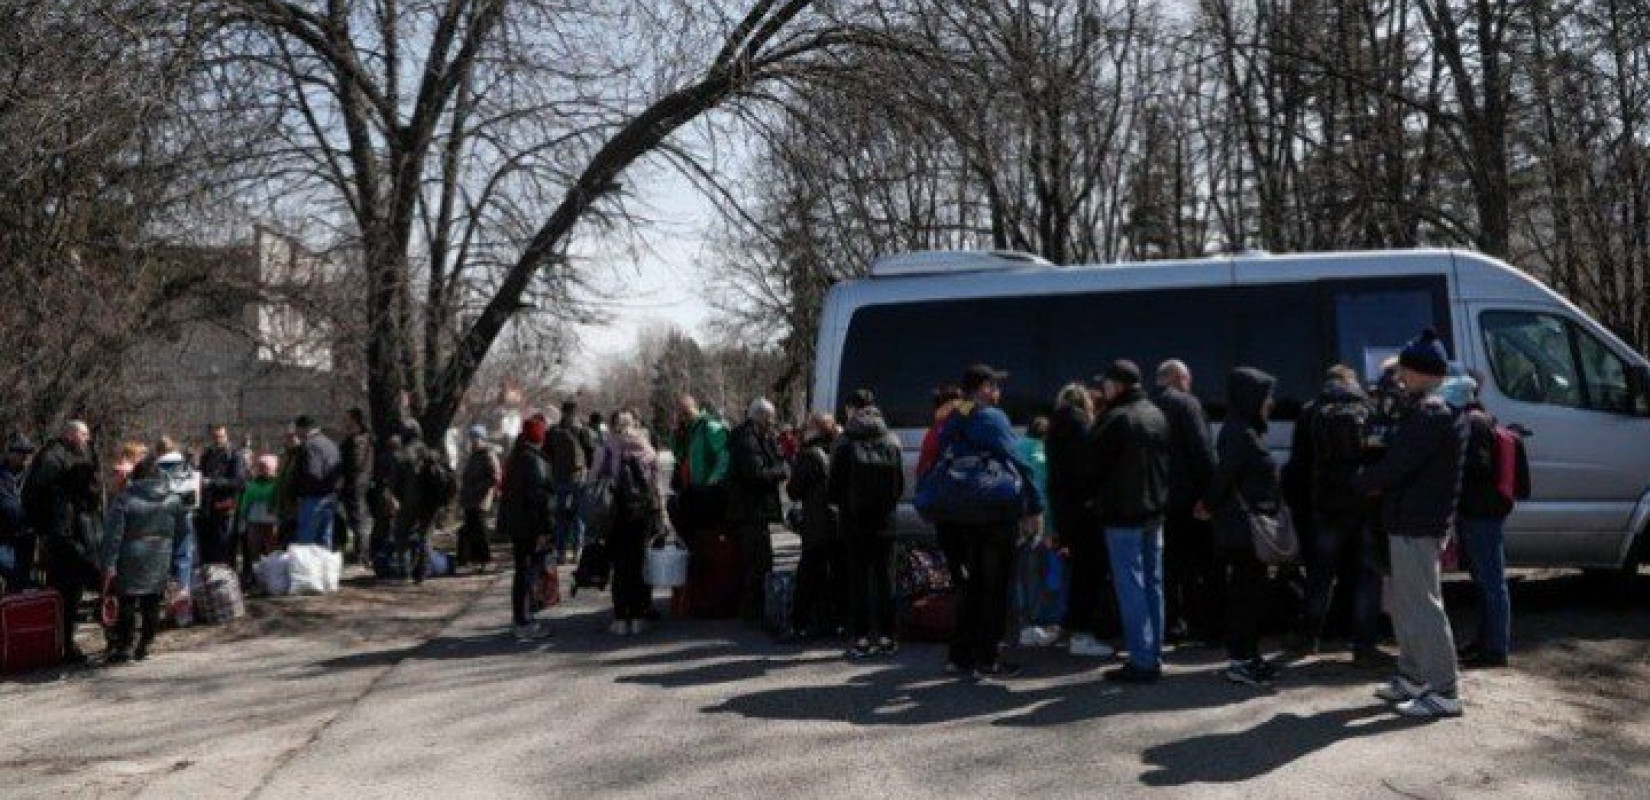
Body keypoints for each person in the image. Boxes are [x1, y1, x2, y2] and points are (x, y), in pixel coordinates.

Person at [1353, 329, 1468, 719]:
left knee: (1423, 607)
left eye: (1405, 370)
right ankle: (1414, 676)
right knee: (1406, 604)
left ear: (1421, 371)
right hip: (1411, 519)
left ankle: (1444, 689)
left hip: (1418, 522)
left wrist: (1360, 481)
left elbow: (1399, 464)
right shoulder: (1432, 407)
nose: (1400, 377)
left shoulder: (1431, 412)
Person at [936, 364, 1043, 678]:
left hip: (958, 512)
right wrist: (1034, 505)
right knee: (995, 587)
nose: (999, 392)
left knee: (970, 586)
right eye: (995, 385)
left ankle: (960, 655)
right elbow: (1018, 460)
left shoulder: (958, 414)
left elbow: (946, 441)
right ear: (982, 387)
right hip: (993, 513)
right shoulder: (992, 417)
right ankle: (989, 656)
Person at [1289, 365, 1383, 661]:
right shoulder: (1369, 407)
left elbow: (1298, 465)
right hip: (1364, 504)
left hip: (1326, 506)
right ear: (1351, 381)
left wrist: (1302, 505)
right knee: (1367, 575)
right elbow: (1380, 456)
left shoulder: (1311, 411)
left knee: (1319, 574)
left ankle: (1309, 639)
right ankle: (1364, 645)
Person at [1089, 360, 1172, 684]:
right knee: (1153, 584)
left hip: (1123, 514)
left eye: (1106, 383)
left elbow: (1092, 466)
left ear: (1117, 385)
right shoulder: (1155, 412)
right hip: (1154, 510)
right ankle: (1154, 654)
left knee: (1131, 586)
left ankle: (1141, 659)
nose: (1103, 388)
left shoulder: (1115, 418)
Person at [1201, 368, 1283, 688]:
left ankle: (1248, 655)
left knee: (1251, 592)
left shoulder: (1246, 428)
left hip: (1247, 527)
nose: (1271, 403)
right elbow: (1226, 476)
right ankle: (1241, 659)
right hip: (1243, 529)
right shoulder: (1239, 432)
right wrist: (1207, 504)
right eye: (1266, 396)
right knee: (1246, 595)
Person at [828, 390, 905, 658]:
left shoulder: (843, 441)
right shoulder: (891, 439)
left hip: (854, 521)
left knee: (857, 580)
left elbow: (833, 486)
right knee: (886, 579)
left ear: (852, 409)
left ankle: (860, 638)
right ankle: (887, 636)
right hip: (885, 521)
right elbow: (900, 486)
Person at [1450, 374, 1517, 670]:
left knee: (1491, 582)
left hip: (1480, 512)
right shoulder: (1485, 419)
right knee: (1488, 581)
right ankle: (1488, 642)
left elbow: (1474, 468)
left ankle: (1495, 649)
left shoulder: (1473, 424)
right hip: (1486, 510)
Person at [23, 421, 104, 664]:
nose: (87, 439)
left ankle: (69, 643)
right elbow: (34, 498)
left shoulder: (79, 455)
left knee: (73, 595)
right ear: (69, 434)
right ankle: (63, 646)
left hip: (75, 535)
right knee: (64, 595)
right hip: (60, 537)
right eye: (83, 434)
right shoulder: (52, 458)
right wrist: (46, 530)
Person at [100, 457, 194, 664]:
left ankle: (125, 646)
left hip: (129, 557)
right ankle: (146, 643)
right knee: (152, 602)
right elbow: (183, 535)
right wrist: (179, 567)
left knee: (126, 602)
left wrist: (108, 564)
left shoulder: (124, 499)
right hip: (160, 556)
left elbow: (113, 537)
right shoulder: (174, 500)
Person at [1151, 359, 1218, 645]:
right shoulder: (1187, 404)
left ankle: (1169, 624)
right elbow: (1202, 451)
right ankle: (1201, 625)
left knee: (1166, 565)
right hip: (1188, 500)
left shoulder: (1148, 407)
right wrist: (1210, 495)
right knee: (1197, 564)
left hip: (1156, 499)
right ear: (1180, 378)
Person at [1047, 383, 1115, 658]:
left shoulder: (1055, 428)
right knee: (1090, 573)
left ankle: (1073, 624)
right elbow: (1088, 472)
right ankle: (1082, 634)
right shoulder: (1079, 428)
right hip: (1085, 513)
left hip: (1067, 512)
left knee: (1079, 572)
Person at [590, 411, 667, 635]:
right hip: (642, 514)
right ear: (634, 424)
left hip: (615, 515)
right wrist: (662, 515)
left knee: (620, 565)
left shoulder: (606, 448)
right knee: (640, 563)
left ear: (613, 425)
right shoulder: (646, 448)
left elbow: (593, 480)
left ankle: (621, 617)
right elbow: (657, 485)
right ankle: (639, 615)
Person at [728, 398, 790, 624]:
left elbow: (778, 459)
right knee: (756, 562)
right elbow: (756, 473)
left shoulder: (764, 436)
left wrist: (779, 466)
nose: (772, 422)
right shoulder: (745, 439)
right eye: (769, 418)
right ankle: (751, 611)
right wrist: (780, 471)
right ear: (760, 417)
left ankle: (758, 607)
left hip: (758, 510)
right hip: (748, 510)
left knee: (763, 561)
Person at [498, 414, 554, 639]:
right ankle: (523, 620)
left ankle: (520, 617)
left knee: (522, 570)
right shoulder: (532, 460)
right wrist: (547, 526)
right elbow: (540, 497)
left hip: (517, 522)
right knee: (526, 571)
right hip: (529, 524)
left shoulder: (516, 457)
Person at [785, 411, 840, 639]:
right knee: (832, 575)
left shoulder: (810, 455)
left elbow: (793, 490)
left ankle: (800, 624)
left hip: (816, 522)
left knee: (807, 575)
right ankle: (833, 623)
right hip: (838, 521)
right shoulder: (840, 448)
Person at [916, 385, 967, 592]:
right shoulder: (963, 425)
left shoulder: (935, 430)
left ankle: (960, 601)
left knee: (955, 560)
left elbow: (922, 470)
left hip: (945, 506)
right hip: (964, 504)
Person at [669, 394, 730, 538]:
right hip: (692, 488)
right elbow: (678, 454)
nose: (682, 418)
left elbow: (724, 456)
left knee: (707, 532)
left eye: (684, 413)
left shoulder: (709, 427)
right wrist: (676, 433)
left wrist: (713, 480)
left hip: (708, 490)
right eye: (679, 415)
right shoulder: (690, 430)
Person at [391, 421, 438, 583]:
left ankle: (404, 572)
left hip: (409, 502)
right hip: (430, 502)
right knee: (425, 537)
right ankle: (422, 574)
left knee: (402, 535)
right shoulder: (431, 453)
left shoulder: (402, 455)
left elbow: (395, 485)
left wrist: (400, 498)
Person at [196, 425, 248, 570]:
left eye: (220, 436)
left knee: (224, 545)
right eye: (215, 437)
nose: (218, 440)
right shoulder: (207, 455)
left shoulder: (235, 455)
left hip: (225, 506)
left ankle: (226, 577)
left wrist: (212, 482)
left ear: (226, 436)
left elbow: (239, 482)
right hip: (207, 508)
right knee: (208, 547)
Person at [289, 415, 342, 549]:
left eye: (296, 429)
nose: (295, 433)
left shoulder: (309, 445)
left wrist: (298, 492)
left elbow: (312, 472)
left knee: (306, 541)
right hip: (330, 496)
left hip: (312, 498)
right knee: (324, 539)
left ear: (302, 428)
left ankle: (307, 570)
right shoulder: (330, 443)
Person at [547, 401, 590, 565]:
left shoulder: (553, 431)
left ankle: (560, 551)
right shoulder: (581, 430)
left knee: (560, 516)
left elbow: (547, 452)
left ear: (562, 412)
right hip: (578, 477)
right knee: (579, 515)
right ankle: (578, 549)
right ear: (575, 412)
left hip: (559, 478)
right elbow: (590, 451)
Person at [458, 426, 501, 571]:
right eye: (472, 438)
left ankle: (486, 559)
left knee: (480, 531)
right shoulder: (473, 455)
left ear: (483, 439)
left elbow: (495, 477)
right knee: (472, 531)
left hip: (480, 499)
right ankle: (475, 560)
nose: (474, 442)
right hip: (469, 499)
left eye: (476, 438)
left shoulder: (488, 455)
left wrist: (479, 488)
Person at [235, 454, 282, 580]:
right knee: (253, 551)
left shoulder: (278, 484)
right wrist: (242, 518)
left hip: (272, 523)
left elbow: (280, 503)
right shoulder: (252, 484)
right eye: (260, 467)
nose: (262, 470)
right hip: (254, 523)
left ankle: (272, 577)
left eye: (265, 467)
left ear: (273, 468)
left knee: (271, 551)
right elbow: (245, 503)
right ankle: (256, 578)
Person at [338, 408, 375, 564]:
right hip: (358, 483)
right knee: (358, 519)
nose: (344, 422)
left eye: (347, 419)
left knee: (359, 519)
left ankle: (362, 555)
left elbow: (355, 464)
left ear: (354, 420)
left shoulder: (358, 441)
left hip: (356, 485)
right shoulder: (362, 439)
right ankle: (361, 552)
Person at [1, 434, 37, 589]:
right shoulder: (2, 476)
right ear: (10, 453)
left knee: (21, 578)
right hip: (3, 536)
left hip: (25, 536)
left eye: (27, 453)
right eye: (21, 452)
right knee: (9, 570)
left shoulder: (32, 476)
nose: (25, 457)